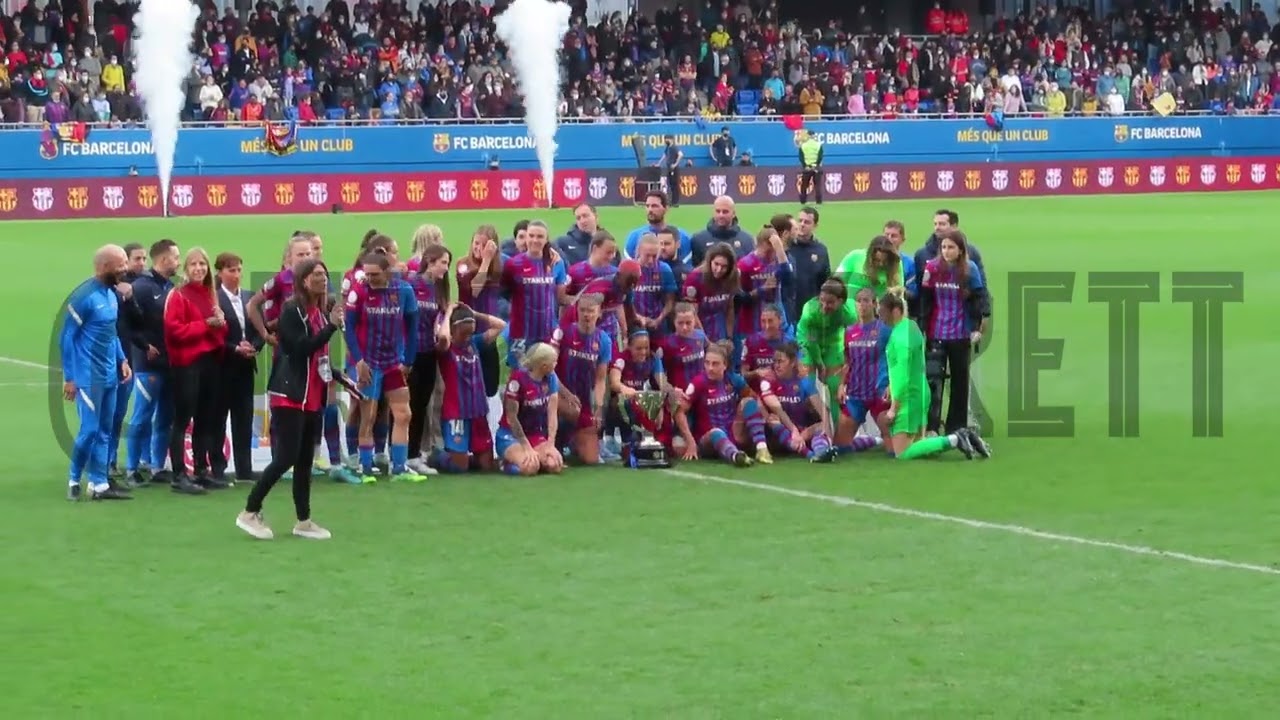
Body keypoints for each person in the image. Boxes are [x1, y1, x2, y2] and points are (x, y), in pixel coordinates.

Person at [237, 258, 345, 541]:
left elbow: (318, 354)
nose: (323, 279)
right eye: (317, 275)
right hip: (290, 395)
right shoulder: (291, 310)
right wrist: (332, 328)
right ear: (303, 281)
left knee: (306, 460)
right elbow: (299, 350)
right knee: (286, 457)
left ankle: (303, 520)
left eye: (324, 274)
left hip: (312, 396)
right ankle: (250, 510)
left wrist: (338, 374)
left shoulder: (319, 312)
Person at [879, 290, 989, 460]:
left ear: (895, 310)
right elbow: (914, 365)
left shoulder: (899, 338)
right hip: (921, 392)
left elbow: (902, 375)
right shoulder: (912, 327)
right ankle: (967, 437)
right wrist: (890, 386)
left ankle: (955, 439)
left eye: (883, 311)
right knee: (920, 445)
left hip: (908, 397)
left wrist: (894, 408)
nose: (880, 316)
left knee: (902, 453)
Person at [62, 245, 133, 501]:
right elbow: (67, 337)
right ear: (104, 267)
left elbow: (111, 334)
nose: (125, 269)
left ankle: (99, 484)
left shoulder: (112, 295)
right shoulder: (83, 298)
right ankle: (73, 477)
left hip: (109, 375)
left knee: (106, 429)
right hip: (87, 377)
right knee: (89, 430)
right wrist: (70, 377)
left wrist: (122, 359)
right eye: (121, 264)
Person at [344, 251, 423, 482]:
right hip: (368, 363)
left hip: (392, 363)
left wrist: (408, 360)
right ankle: (365, 468)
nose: (369, 278)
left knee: (404, 414)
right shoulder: (358, 291)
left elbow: (412, 325)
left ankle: (399, 467)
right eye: (366, 273)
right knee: (367, 415)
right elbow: (348, 328)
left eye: (375, 274)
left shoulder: (404, 291)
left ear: (387, 271)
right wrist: (358, 361)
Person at [163, 247, 229, 494]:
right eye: (194, 264)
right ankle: (179, 474)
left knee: (206, 418)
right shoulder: (179, 295)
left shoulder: (209, 294)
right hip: (187, 364)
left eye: (203, 264)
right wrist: (206, 325)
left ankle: (202, 469)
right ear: (185, 269)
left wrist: (220, 322)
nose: (199, 268)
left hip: (210, 362)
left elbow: (217, 333)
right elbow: (174, 331)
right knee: (182, 420)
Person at [247, 236, 315, 460]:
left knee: (311, 405)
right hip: (286, 354)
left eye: (308, 254)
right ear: (288, 259)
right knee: (284, 406)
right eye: (300, 255)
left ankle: (306, 456)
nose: (305, 258)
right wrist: (265, 333)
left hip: (312, 352)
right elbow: (252, 305)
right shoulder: (280, 281)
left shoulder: (318, 279)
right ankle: (279, 457)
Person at [919, 230, 990, 436]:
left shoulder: (970, 270)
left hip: (960, 333)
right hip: (936, 333)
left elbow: (979, 296)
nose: (946, 251)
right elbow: (926, 299)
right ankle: (932, 426)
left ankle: (956, 427)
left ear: (960, 250)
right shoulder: (931, 268)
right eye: (943, 247)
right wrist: (922, 327)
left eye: (951, 247)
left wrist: (977, 326)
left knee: (960, 382)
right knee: (933, 381)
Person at [123, 239, 179, 487]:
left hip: (171, 363)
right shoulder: (143, 288)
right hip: (148, 365)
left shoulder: (171, 287)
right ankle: (131, 468)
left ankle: (157, 466)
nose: (178, 262)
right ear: (164, 259)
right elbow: (126, 324)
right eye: (176, 257)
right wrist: (145, 346)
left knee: (166, 417)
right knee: (142, 417)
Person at [340, 231, 394, 471]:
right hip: (361, 355)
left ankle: (380, 452)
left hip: (386, 354)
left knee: (382, 405)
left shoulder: (392, 281)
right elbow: (347, 320)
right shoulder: (355, 280)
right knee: (359, 406)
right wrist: (356, 355)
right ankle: (353, 454)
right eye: (392, 252)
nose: (395, 257)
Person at [434, 303, 506, 472]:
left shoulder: (475, 343)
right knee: (459, 467)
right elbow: (443, 337)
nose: (467, 337)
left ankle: (466, 458)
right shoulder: (447, 348)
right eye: (463, 333)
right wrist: (450, 312)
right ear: (453, 329)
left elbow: (501, 325)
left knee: (487, 465)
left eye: (470, 333)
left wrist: (474, 313)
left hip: (478, 411)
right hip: (456, 413)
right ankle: (434, 455)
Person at [675, 341, 771, 466]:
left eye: (715, 364)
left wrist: (767, 419)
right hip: (709, 440)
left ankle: (762, 449)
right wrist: (690, 441)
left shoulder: (734, 379)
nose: (710, 368)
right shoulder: (697, 383)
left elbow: (755, 399)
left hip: (734, 433)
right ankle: (736, 456)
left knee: (749, 401)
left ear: (724, 365)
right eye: (707, 363)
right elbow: (679, 411)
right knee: (716, 432)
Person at [213, 252, 265, 483]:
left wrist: (254, 346)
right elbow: (211, 337)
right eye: (230, 270)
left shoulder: (249, 298)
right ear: (220, 273)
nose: (236, 275)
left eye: (238, 270)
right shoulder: (213, 300)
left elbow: (260, 330)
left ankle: (244, 469)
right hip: (222, 368)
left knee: (243, 419)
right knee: (218, 418)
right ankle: (217, 468)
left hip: (245, 367)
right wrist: (235, 348)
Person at [456, 225, 506, 442]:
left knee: (491, 386)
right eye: (476, 243)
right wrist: (485, 261)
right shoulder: (463, 265)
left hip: (489, 334)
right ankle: (470, 435)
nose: (478, 248)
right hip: (467, 336)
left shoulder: (500, 267)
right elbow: (474, 289)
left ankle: (487, 433)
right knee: (469, 386)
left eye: (484, 245)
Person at [551, 294, 612, 465]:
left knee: (591, 459)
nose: (586, 315)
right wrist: (566, 394)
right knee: (572, 411)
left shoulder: (604, 340)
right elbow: (549, 369)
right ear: (577, 311)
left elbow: (600, 380)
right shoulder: (563, 332)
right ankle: (557, 440)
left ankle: (573, 441)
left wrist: (598, 408)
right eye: (583, 310)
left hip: (582, 400)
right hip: (558, 393)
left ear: (599, 313)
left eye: (591, 311)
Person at [405, 244, 451, 474]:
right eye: (443, 262)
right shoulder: (412, 284)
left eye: (447, 263)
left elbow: (439, 322)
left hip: (429, 353)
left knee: (422, 404)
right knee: (407, 405)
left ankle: (413, 455)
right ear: (430, 261)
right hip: (410, 353)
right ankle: (400, 455)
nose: (446, 268)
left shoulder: (438, 290)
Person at [500, 220, 567, 366]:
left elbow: (561, 298)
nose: (535, 240)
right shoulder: (513, 265)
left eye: (540, 236)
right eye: (531, 235)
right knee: (520, 376)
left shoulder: (556, 263)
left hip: (547, 332)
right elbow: (502, 293)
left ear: (546, 239)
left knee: (546, 374)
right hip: (520, 334)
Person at [758, 342, 836, 462]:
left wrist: (826, 436)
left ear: (793, 362)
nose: (776, 365)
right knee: (773, 420)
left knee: (820, 427)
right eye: (775, 361)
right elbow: (776, 408)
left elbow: (823, 411)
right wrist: (794, 431)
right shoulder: (769, 380)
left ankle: (822, 451)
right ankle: (810, 455)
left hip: (802, 433)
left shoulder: (804, 382)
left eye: (781, 361)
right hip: (780, 434)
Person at [835, 287, 891, 455]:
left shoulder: (885, 330)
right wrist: (841, 385)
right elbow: (847, 361)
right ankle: (872, 441)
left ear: (875, 304)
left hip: (879, 393)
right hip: (856, 394)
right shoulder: (849, 332)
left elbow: (895, 360)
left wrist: (891, 384)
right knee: (840, 447)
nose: (862, 305)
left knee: (895, 450)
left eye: (866, 301)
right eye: (858, 301)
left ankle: (885, 439)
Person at [107, 242, 145, 481]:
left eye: (143, 258)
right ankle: (102, 463)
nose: (141, 263)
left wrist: (130, 299)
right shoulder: (103, 290)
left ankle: (110, 461)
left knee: (118, 414)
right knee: (105, 416)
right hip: (104, 363)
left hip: (125, 361)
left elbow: (139, 321)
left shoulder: (131, 289)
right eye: (136, 259)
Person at [497, 342, 564, 476]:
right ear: (544, 366)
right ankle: (504, 464)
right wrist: (526, 446)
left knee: (554, 464)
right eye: (554, 362)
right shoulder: (517, 379)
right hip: (511, 435)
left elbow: (552, 413)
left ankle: (535, 458)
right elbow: (512, 417)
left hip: (534, 434)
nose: (556, 365)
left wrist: (551, 444)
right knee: (530, 467)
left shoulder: (550, 379)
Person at [609, 329, 674, 465]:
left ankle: (662, 443)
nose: (643, 352)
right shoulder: (621, 359)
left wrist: (666, 397)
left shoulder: (653, 359)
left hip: (642, 402)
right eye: (638, 348)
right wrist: (629, 391)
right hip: (622, 404)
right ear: (629, 346)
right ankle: (626, 442)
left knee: (672, 401)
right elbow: (614, 383)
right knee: (623, 402)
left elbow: (662, 383)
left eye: (646, 348)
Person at [736, 226, 792, 360]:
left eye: (775, 251)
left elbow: (788, 277)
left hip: (776, 322)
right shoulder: (745, 264)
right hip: (751, 323)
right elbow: (738, 297)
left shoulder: (778, 260)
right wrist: (762, 290)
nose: (771, 255)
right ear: (760, 244)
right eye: (769, 250)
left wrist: (780, 249)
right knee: (752, 360)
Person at [796, 279, 856, 404]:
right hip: (807, 342)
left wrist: (848, 361)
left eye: (830, 303)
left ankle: (838, 420)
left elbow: (855, 339)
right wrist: (819, 364)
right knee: (807, 381)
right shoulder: (810, 311)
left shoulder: (849, 313)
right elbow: (811, 340)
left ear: (841, 301)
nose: (824, 307)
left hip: (832, 344)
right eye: (821, 300)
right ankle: (810, 416)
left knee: (835, 384)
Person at [682, 243, 738, 344]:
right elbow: (692, 314)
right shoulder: (695, 278)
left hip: (720, 330)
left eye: (724, 266)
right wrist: (707, 343)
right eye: (716, 264)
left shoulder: (732, 277)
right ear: (710, 261)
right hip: (699, 332)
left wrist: (729, 337)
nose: (719, 270)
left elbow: (730, 308)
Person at [787, 207, 831, 323]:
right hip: (788, 311)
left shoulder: (821, 250)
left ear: (815, 226)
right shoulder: (786, 247)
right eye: (800, 220)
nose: (802, 225)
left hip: (811, 312)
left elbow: (825, 282)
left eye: (807, 222)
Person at [630, 233, 678, 337]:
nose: (651, 260)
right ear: (639, 251)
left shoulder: (664, 270)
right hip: (635, 326)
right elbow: (624, 301)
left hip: (659, 328)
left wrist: (658, 319)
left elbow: (670, 300)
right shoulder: (630, 270)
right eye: (647, 255)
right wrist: (637, 317)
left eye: (655, 256)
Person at [623, 191, 691, 263]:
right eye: (647, 206)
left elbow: (685, 268)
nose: (650, 210)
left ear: (666, 208)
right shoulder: (634, 237)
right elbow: (629, 269)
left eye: (654, 206)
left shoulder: (681, 236)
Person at [835, 235, 904, 305]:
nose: (881, 264)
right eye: (877, 260)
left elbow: (898, 291)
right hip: (851, 312)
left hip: (879, 313)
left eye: (885, 261)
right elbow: (836, 282)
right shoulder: (854, 257)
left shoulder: (896, 264)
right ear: (870, 257)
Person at [655, 302, 707, 392]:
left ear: (695, 320)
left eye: (688, 323)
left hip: (701, 391)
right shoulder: (667, 344)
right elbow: (657, 370)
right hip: (680, 394)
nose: (684, 327)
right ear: (674, 322)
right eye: (680, 323)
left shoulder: (701, 336)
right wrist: (669, 390)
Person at [689, 196, 754, 266]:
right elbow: (694, 271)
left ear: (734, 214)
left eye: (725, 212)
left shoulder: (747, 240)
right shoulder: (698, 239)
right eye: (718, 211)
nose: (721, 215)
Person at [740, 304, 789, 390]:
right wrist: (757, 373)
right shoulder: (751, 342)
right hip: (757, 393)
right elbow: (743, 374)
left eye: (770, 321)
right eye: (763, 321)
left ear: (780, 320)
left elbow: (797, 373)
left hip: (783, 392)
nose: (767, 326)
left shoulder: (789, 342)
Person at [563, 230, 619, 301]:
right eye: (608, 252)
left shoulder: (616, 274)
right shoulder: (575, 272)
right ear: (595, 248)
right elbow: (564, 301)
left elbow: (620, 305)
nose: (612, 256)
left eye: (614, 253)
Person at [797, 130, 824, 204]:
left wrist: (805, 166)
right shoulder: (818, 145)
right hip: (816, 168)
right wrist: (816, 165)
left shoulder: (803, 145)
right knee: (817, 185)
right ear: (814, 135)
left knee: (804, 185)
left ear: (808, 135)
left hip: (807, 168)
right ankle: (818, 201)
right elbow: (820, 157)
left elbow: (801, 157)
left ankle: (803, 201)